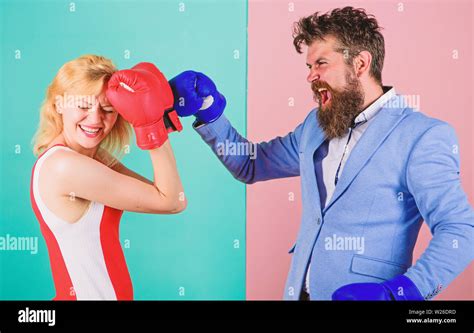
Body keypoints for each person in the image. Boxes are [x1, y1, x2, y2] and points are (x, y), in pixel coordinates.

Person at [168, 7, 473, 300]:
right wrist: (211, 113)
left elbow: (460, 229)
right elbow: (252, 165)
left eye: (321, 64)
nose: (310, 76)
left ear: (360, 64)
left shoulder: (421, 136)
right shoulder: (316, 125)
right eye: (309, 66)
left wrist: (401, 293)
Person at [30, 55, 186, 300]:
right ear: (59, 105)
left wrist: (162, 115)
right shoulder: (64, 166)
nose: (95, 119)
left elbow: (170, 196)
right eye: (83, 106)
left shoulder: (93, 158)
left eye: (107, 109)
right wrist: (152, 125)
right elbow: (171, 200)